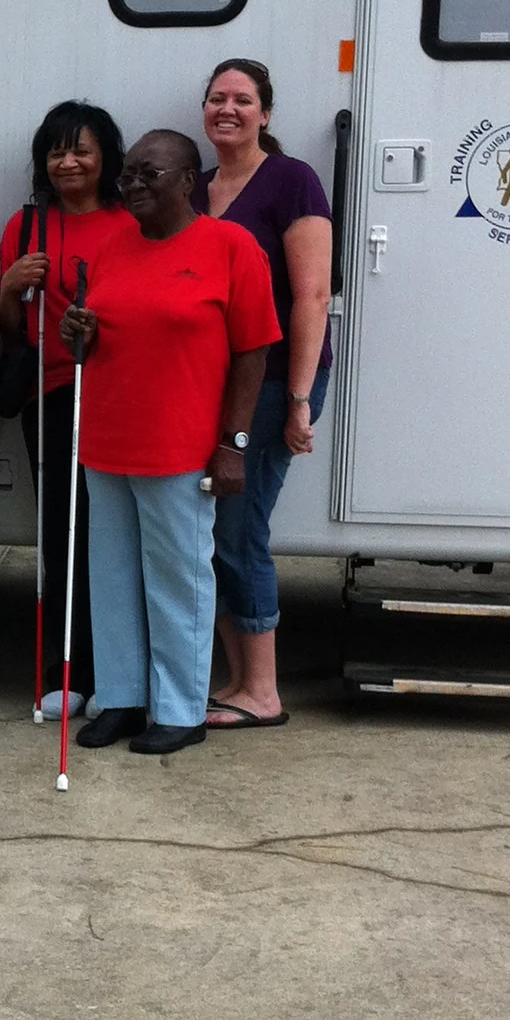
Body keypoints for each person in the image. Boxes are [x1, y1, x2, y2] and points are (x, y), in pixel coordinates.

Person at [61, 129, 278, 756]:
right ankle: (124, 700)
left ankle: (181, 709)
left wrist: (234, 443)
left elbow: (253, 349)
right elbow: (93, 343)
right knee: (112, 576)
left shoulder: (230, 246)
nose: (131, 185)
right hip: (106, 441)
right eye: (127, 174)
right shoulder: (112, 246)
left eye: (147, 174)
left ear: (188, 180)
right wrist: (80, 332)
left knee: (178, 579)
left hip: (180, 449)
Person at [191, 59, 335, 730]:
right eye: (217, 98)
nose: (228, 108)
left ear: (265, 114)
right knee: (216, 529)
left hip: (275, 385)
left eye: (242, 99)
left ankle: (263, 692)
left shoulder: (291, 180)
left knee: (240, 529)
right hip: (214, 386)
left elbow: (311, 295)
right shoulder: (197, 188)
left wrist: (301, 398)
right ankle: (238, 680)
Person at [0, 99, 130, 706]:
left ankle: (122, 672)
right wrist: (10, 286)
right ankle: (67, 670)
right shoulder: (28, 225)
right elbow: (9, 327)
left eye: (81, 150)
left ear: (106, 158)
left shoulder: (132, 220)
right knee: (63, 534)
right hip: (51, 395)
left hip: (122, 395)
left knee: (117, 533)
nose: (68, 162)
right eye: (56, 151)